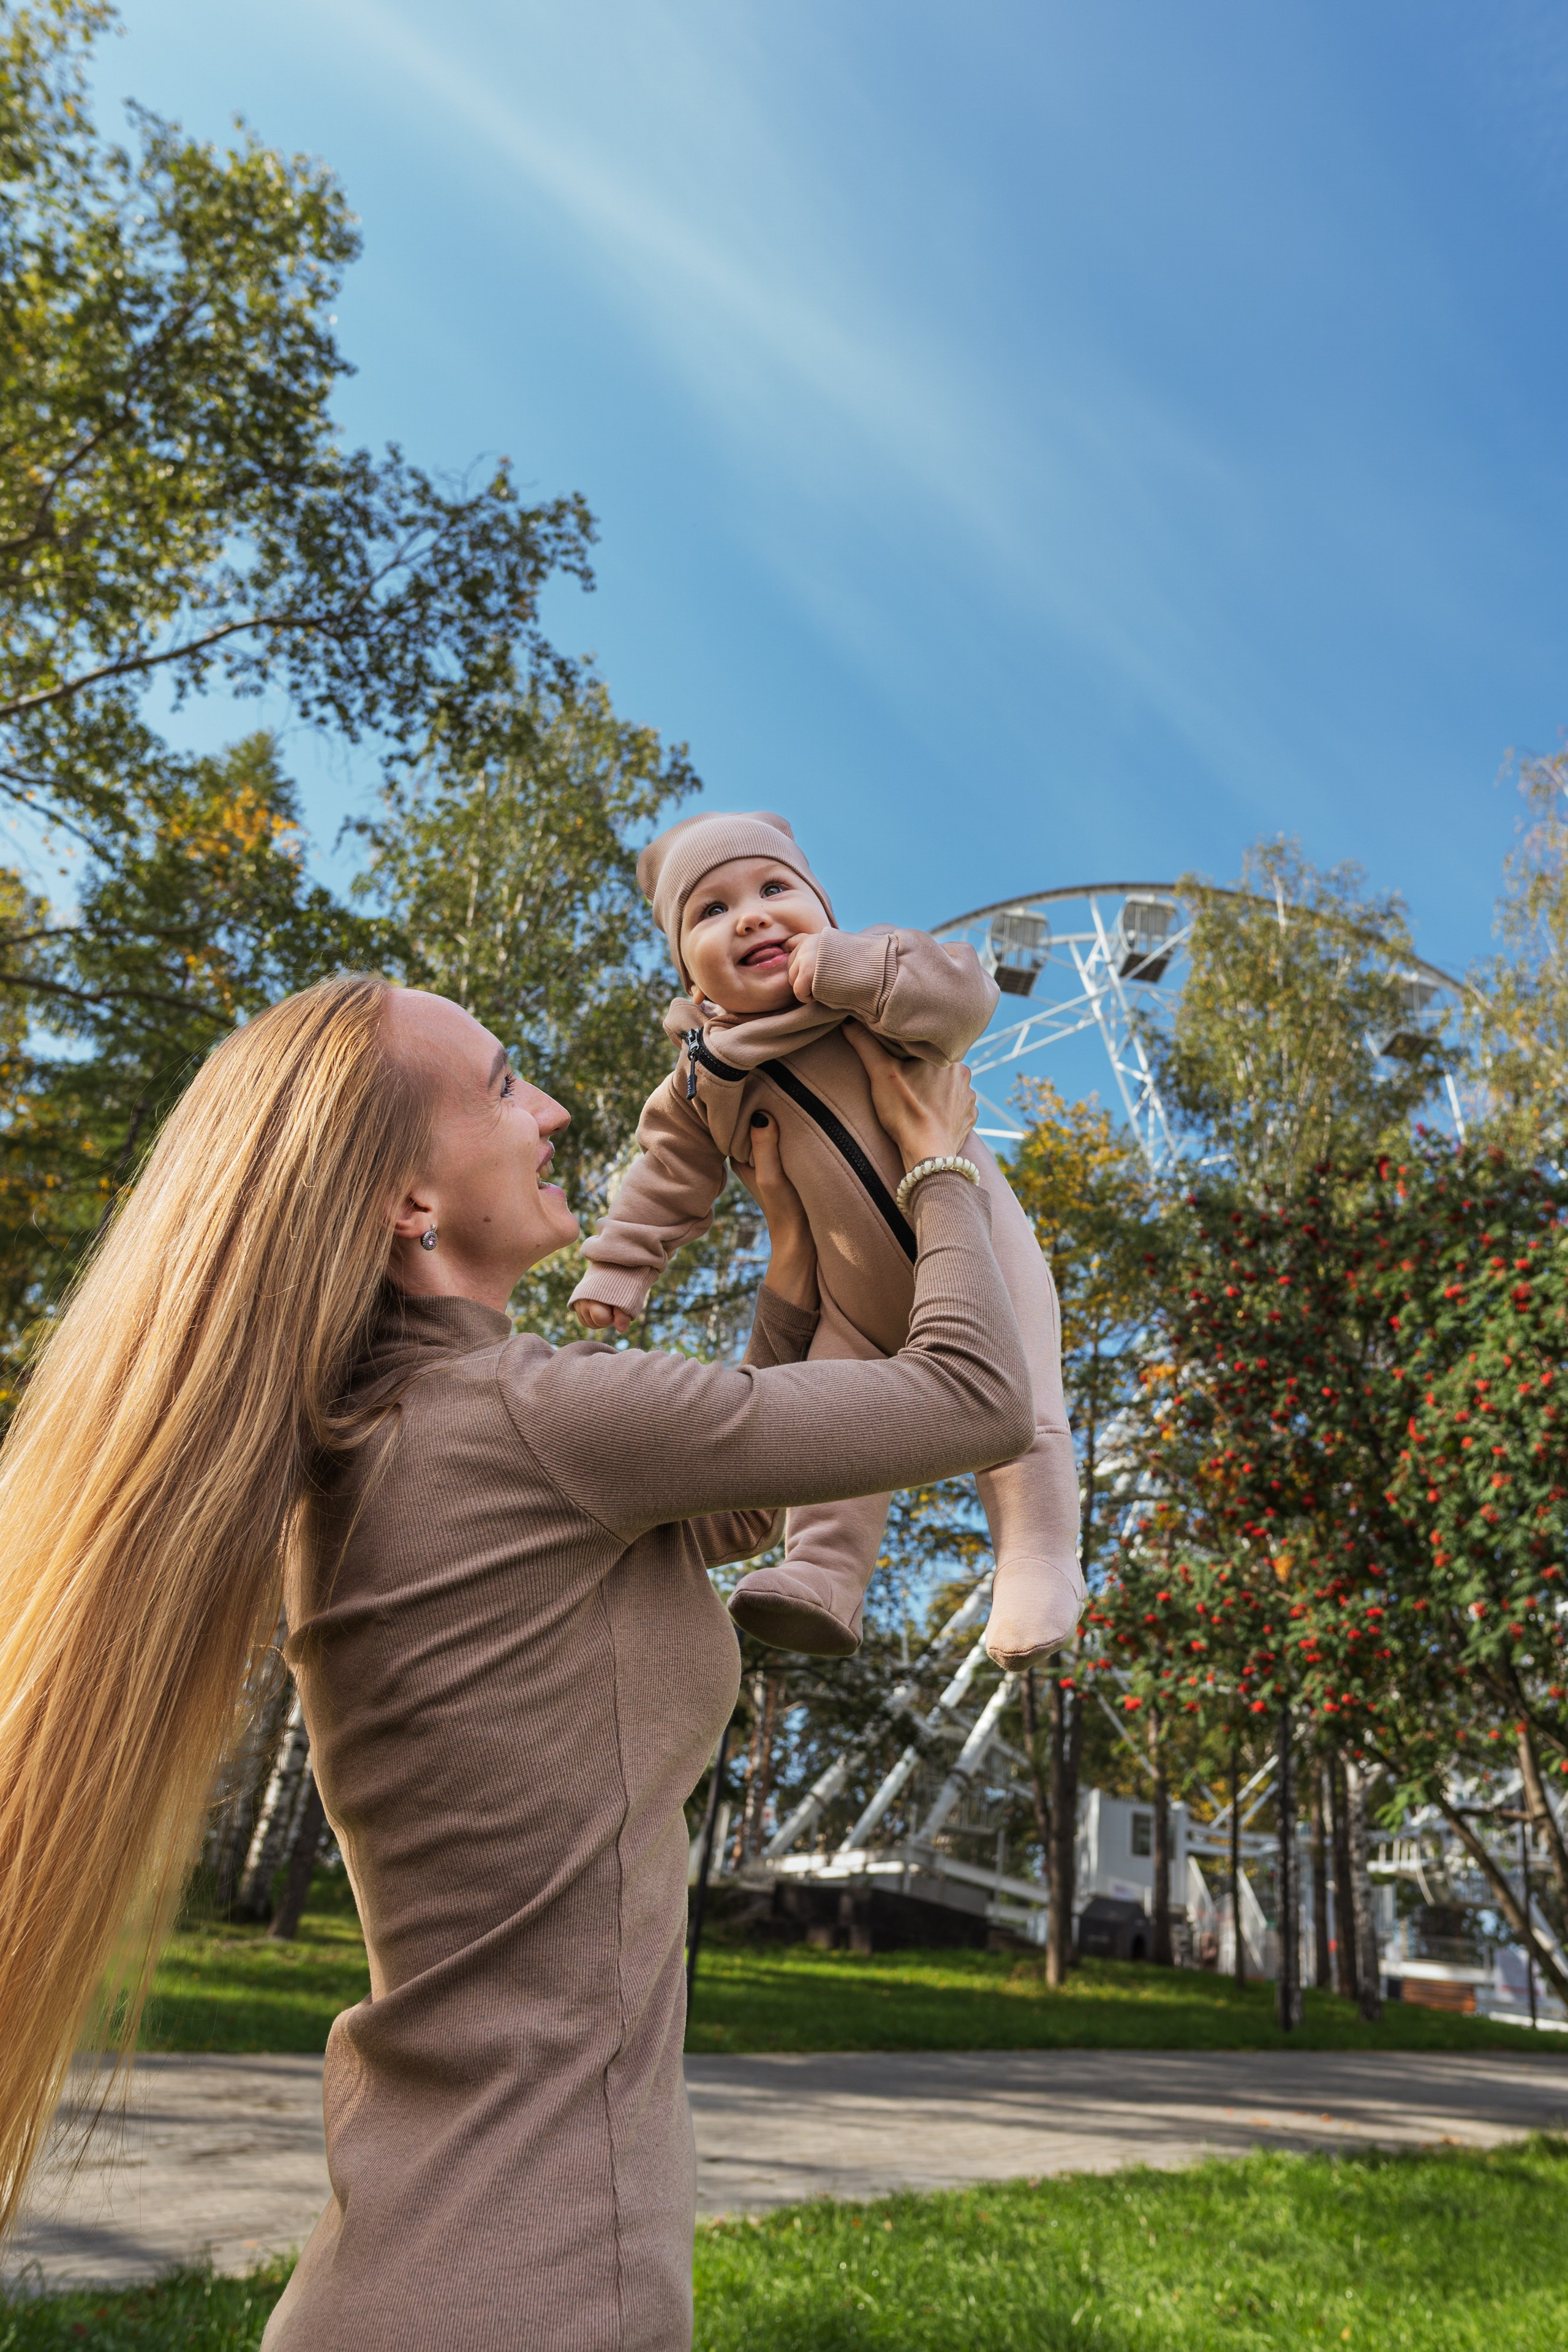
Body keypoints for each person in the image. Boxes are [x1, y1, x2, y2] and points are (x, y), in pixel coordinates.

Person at [0, 973, 1033, 2351]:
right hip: (533, 2281)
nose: (550, 1108)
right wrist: (939, 1159)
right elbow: (978, 1397)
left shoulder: (388, 1441)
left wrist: (798, 1263)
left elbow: (726, 1491)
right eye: (499, 1086)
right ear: (403, 1206)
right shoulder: (535, 1419)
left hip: (420, 2268)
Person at [569, 807, 1083, 1670]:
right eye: (713, 910)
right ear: (691, 977)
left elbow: (967, 998)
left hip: (979, 1248)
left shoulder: (876, 994)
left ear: (826, 910)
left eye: (775, 889)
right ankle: (820, 1575)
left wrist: (853, 968)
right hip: (851, 1301)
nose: (754, 916)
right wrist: (622, 1267)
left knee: (1023, 1404)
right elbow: (664, 1177)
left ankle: (1038, 1561)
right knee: (834, 1426)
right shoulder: (706, 1080)